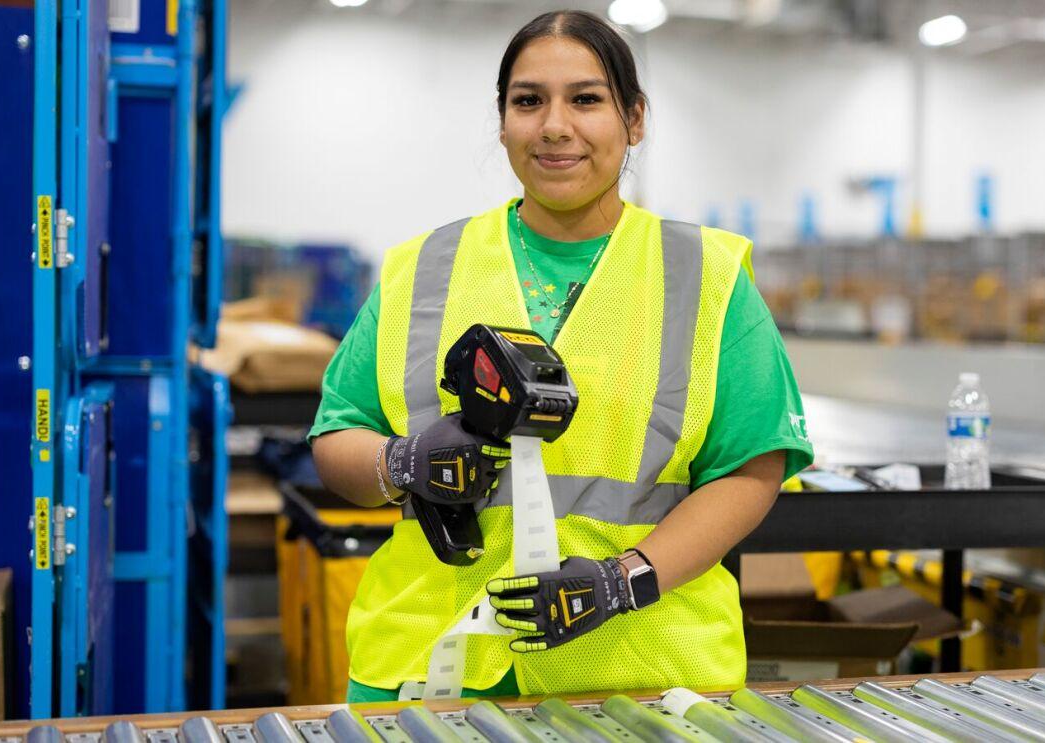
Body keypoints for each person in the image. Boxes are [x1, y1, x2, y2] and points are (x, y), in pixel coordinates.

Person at [310, 9, 813, 703]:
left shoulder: (707, 275)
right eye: (528, 101)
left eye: (586, 99)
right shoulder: (421, 268)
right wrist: (398, 462)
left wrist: (623, 579)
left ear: (634, 121)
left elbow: (751, 470)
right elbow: (338, 436)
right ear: (502, 120)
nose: (554, 125)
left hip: (640, 671)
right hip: (427, 662)